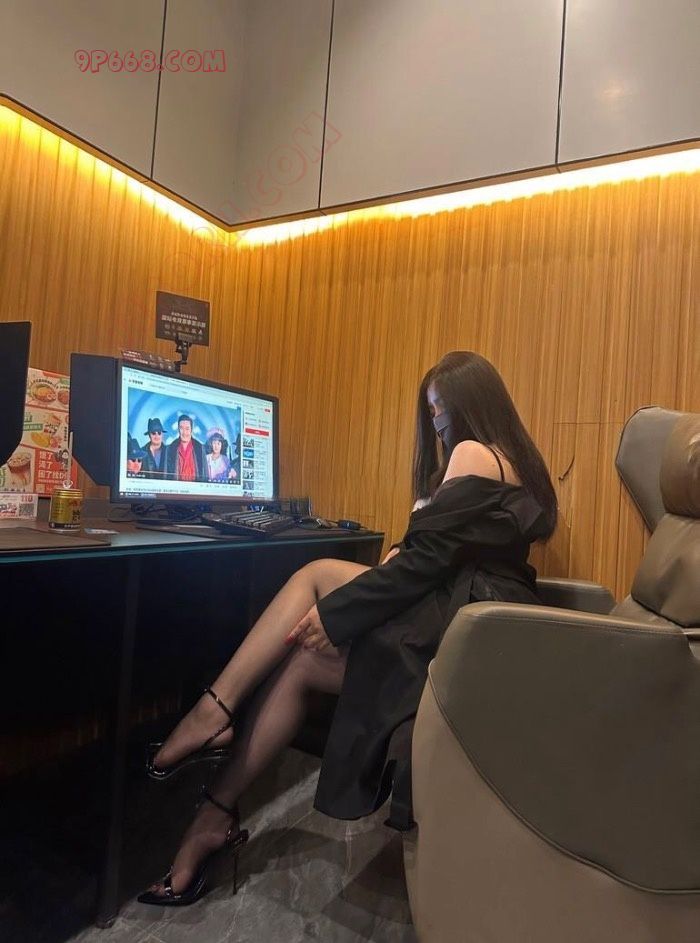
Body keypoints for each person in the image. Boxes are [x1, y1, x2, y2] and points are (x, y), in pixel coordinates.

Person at [138, 351, 558, 906]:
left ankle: (213, 717)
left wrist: (336, 617)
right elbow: (440, 551)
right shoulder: (517, 462)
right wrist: (397, 556)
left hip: (458, 627)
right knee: (304, 645)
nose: (435, 421)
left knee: (312, 584)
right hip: (476, 624)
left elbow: (423, 563)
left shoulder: (473, 453)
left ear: (468, 404)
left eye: (439, 408)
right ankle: (213, 802)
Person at [164, 414, 207, 482]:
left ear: (191, 430)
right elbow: (165, 476)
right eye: (181, 428)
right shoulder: (170, 449)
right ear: (178, 429)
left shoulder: (200, 448)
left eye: (187, 428)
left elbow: (205, 475)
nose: (184, 432)